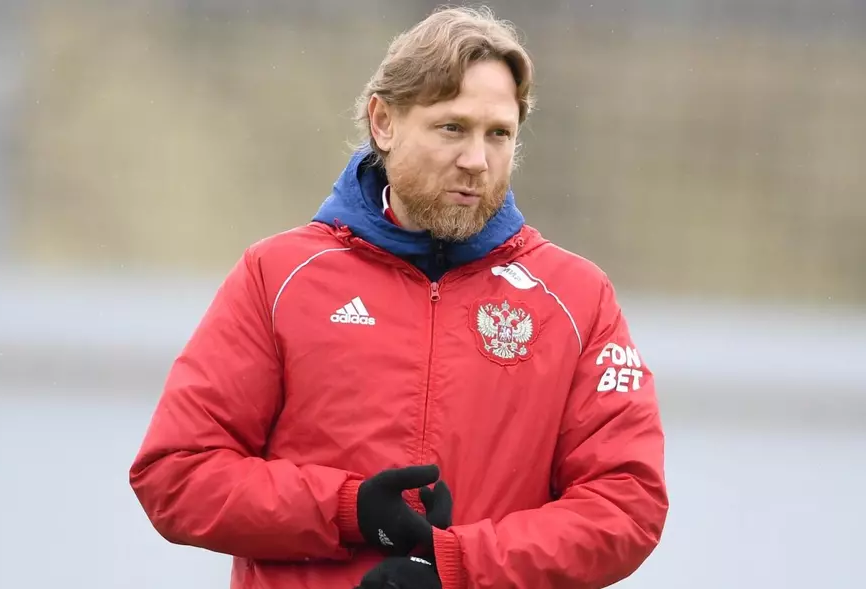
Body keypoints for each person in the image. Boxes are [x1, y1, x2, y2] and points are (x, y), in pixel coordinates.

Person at [129, 5, 668, 589]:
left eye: (499, 134)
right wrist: (347, 510)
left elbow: (625, 505)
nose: (476, 161)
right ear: (383, 122)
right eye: (452, 128)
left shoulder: (577, 298)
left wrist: (460, 566)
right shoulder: (278, 276)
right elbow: (176, 473)